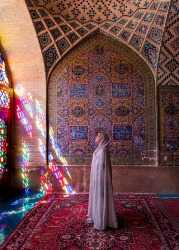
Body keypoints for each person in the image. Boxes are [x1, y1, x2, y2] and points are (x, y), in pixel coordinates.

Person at [87, 130, 118, 230]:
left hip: (101, 179)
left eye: (98, 136)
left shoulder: (104, 150)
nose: (96, 137)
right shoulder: (99, 149)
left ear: (102, 138)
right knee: (98, 196)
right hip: (97, 177)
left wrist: (99, 179)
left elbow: (102, 167)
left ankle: (102, 220)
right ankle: (97, 217)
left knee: (101, 197)